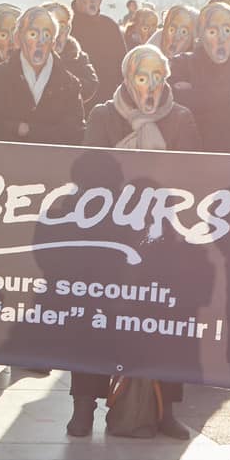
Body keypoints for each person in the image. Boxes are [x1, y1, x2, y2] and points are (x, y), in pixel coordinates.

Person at [70, 44, 199, 438]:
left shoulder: (181, 118)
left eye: (158, 77)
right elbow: (88, 171)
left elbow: (193, 173)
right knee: (96, 318)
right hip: (110, 233)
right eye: (143, 77)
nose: (151, 86)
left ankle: (164, 410)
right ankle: (84, 406)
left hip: (162, 233)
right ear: (128, 79)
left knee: (164, 321)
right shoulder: (104, 115)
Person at [0, 6, 85, 145]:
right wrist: (43, 131)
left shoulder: (69, 84)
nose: (40, 42)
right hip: (6, 158)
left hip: (50, 159)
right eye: (33, 34)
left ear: (53, 43)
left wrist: (26, 130)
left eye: (46, 35)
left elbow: (74, 134)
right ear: (18, 39)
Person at [173, 0, 230, 151]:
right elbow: (174, 103)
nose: (220, 39)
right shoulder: (183, 64)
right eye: (212, 32)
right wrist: (229, 96)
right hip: (194, 154)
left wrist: (196, 93)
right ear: (200, 35)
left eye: (227, 31)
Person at [68, 0, 124, 95]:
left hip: (107, 100)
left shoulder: (110, 26)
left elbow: (122, 68)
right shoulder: (66, 26)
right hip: (75, 99)